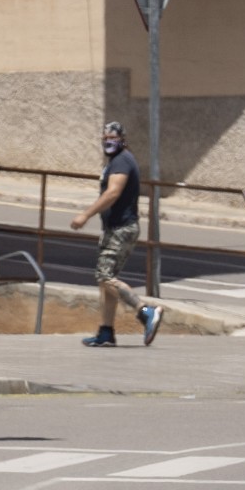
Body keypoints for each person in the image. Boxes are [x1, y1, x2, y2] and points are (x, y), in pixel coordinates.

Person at [70, 121, 163, 348]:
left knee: (104, 276)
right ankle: (106, 332)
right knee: (107, 280)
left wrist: (85, 215)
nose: (108, 142)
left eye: (113, 138)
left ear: (122, 140)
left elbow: (113, 193)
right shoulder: (116, 161)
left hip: (122, 229)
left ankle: (145, 311)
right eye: (105, 138)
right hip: (114, 228)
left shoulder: (122, 161)